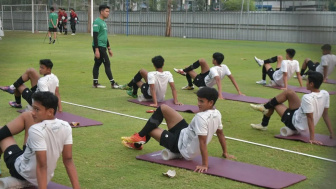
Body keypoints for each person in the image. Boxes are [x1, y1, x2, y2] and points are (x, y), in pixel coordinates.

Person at [121, 87, 235, 173]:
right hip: (184, 133)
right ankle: (139, 138)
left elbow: (203, 142)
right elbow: (220, 133)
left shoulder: (201, 117)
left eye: (201, 101)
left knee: (151, 129)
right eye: (198, 100)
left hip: (180, 146)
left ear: (210, 102)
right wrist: (225, 152)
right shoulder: (217, 113)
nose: (198, 104)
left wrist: (205, 165)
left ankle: (138, 142)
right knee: (163, 108)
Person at [0, 91, 80, 188]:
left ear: (50, 112)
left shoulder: (36, 130)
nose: (33, 112)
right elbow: (68, 160)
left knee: (1, 133)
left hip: (22, 173)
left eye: (37, 109)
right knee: (27, 116)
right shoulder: (66, 126)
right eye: (33, 107)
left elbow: (42, 166)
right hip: (43, 176)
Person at [249, 71, 334, 145]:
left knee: (272, 102)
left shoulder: (307, 97)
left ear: (311, 84)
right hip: (299, 115)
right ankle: (264, 108)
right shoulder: (325, 93)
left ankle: (264, 123)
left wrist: (312, 138)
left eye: (307, 81)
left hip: (295, 123)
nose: (306, 83)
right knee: (289, 92)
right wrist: (332, 133)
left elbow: (310, 118)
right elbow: (325, 114)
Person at [174, 52, 244, 99]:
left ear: (215, 61)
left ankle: (186, 76)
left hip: (203, 83)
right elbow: (232, 78)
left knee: (187, 69)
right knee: (202, 60)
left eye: (213, 58)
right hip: (207, 76)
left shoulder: (213, 69)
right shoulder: (224, 66)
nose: (212, 59)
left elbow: (218, 80)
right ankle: (184, 72)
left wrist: (220, 94)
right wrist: (239, 91)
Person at [92, 5, 119, 89]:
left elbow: (105, 37)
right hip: (99, 47)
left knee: (97, 63)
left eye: (108, 11)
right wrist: (96, 50)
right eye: (107, 11)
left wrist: (109, 48)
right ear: (101, 12)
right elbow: (95, 36)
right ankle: (113, 83)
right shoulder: (97, 22)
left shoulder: (103, 22)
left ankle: (95, 83)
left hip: (103, 46)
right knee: (107, 63)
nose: (108, 13)